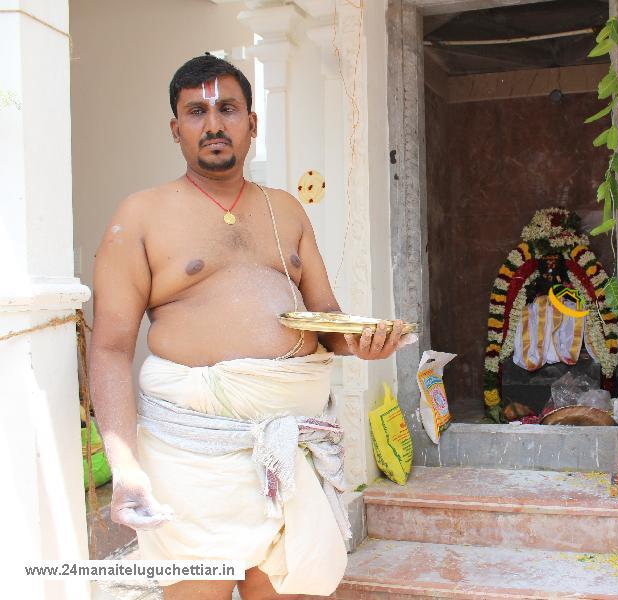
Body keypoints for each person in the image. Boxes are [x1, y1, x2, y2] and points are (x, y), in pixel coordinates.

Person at [88, 55, 410, 600]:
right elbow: (110, 348)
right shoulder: (140, 215)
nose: (214, 124)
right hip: (191, 455)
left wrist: (362, 344)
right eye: (196, 111)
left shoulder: (285, 209)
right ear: (176, 129)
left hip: (288, 445)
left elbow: (327, 318)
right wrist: (125, 467)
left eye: (228, 109)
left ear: (252, 123)